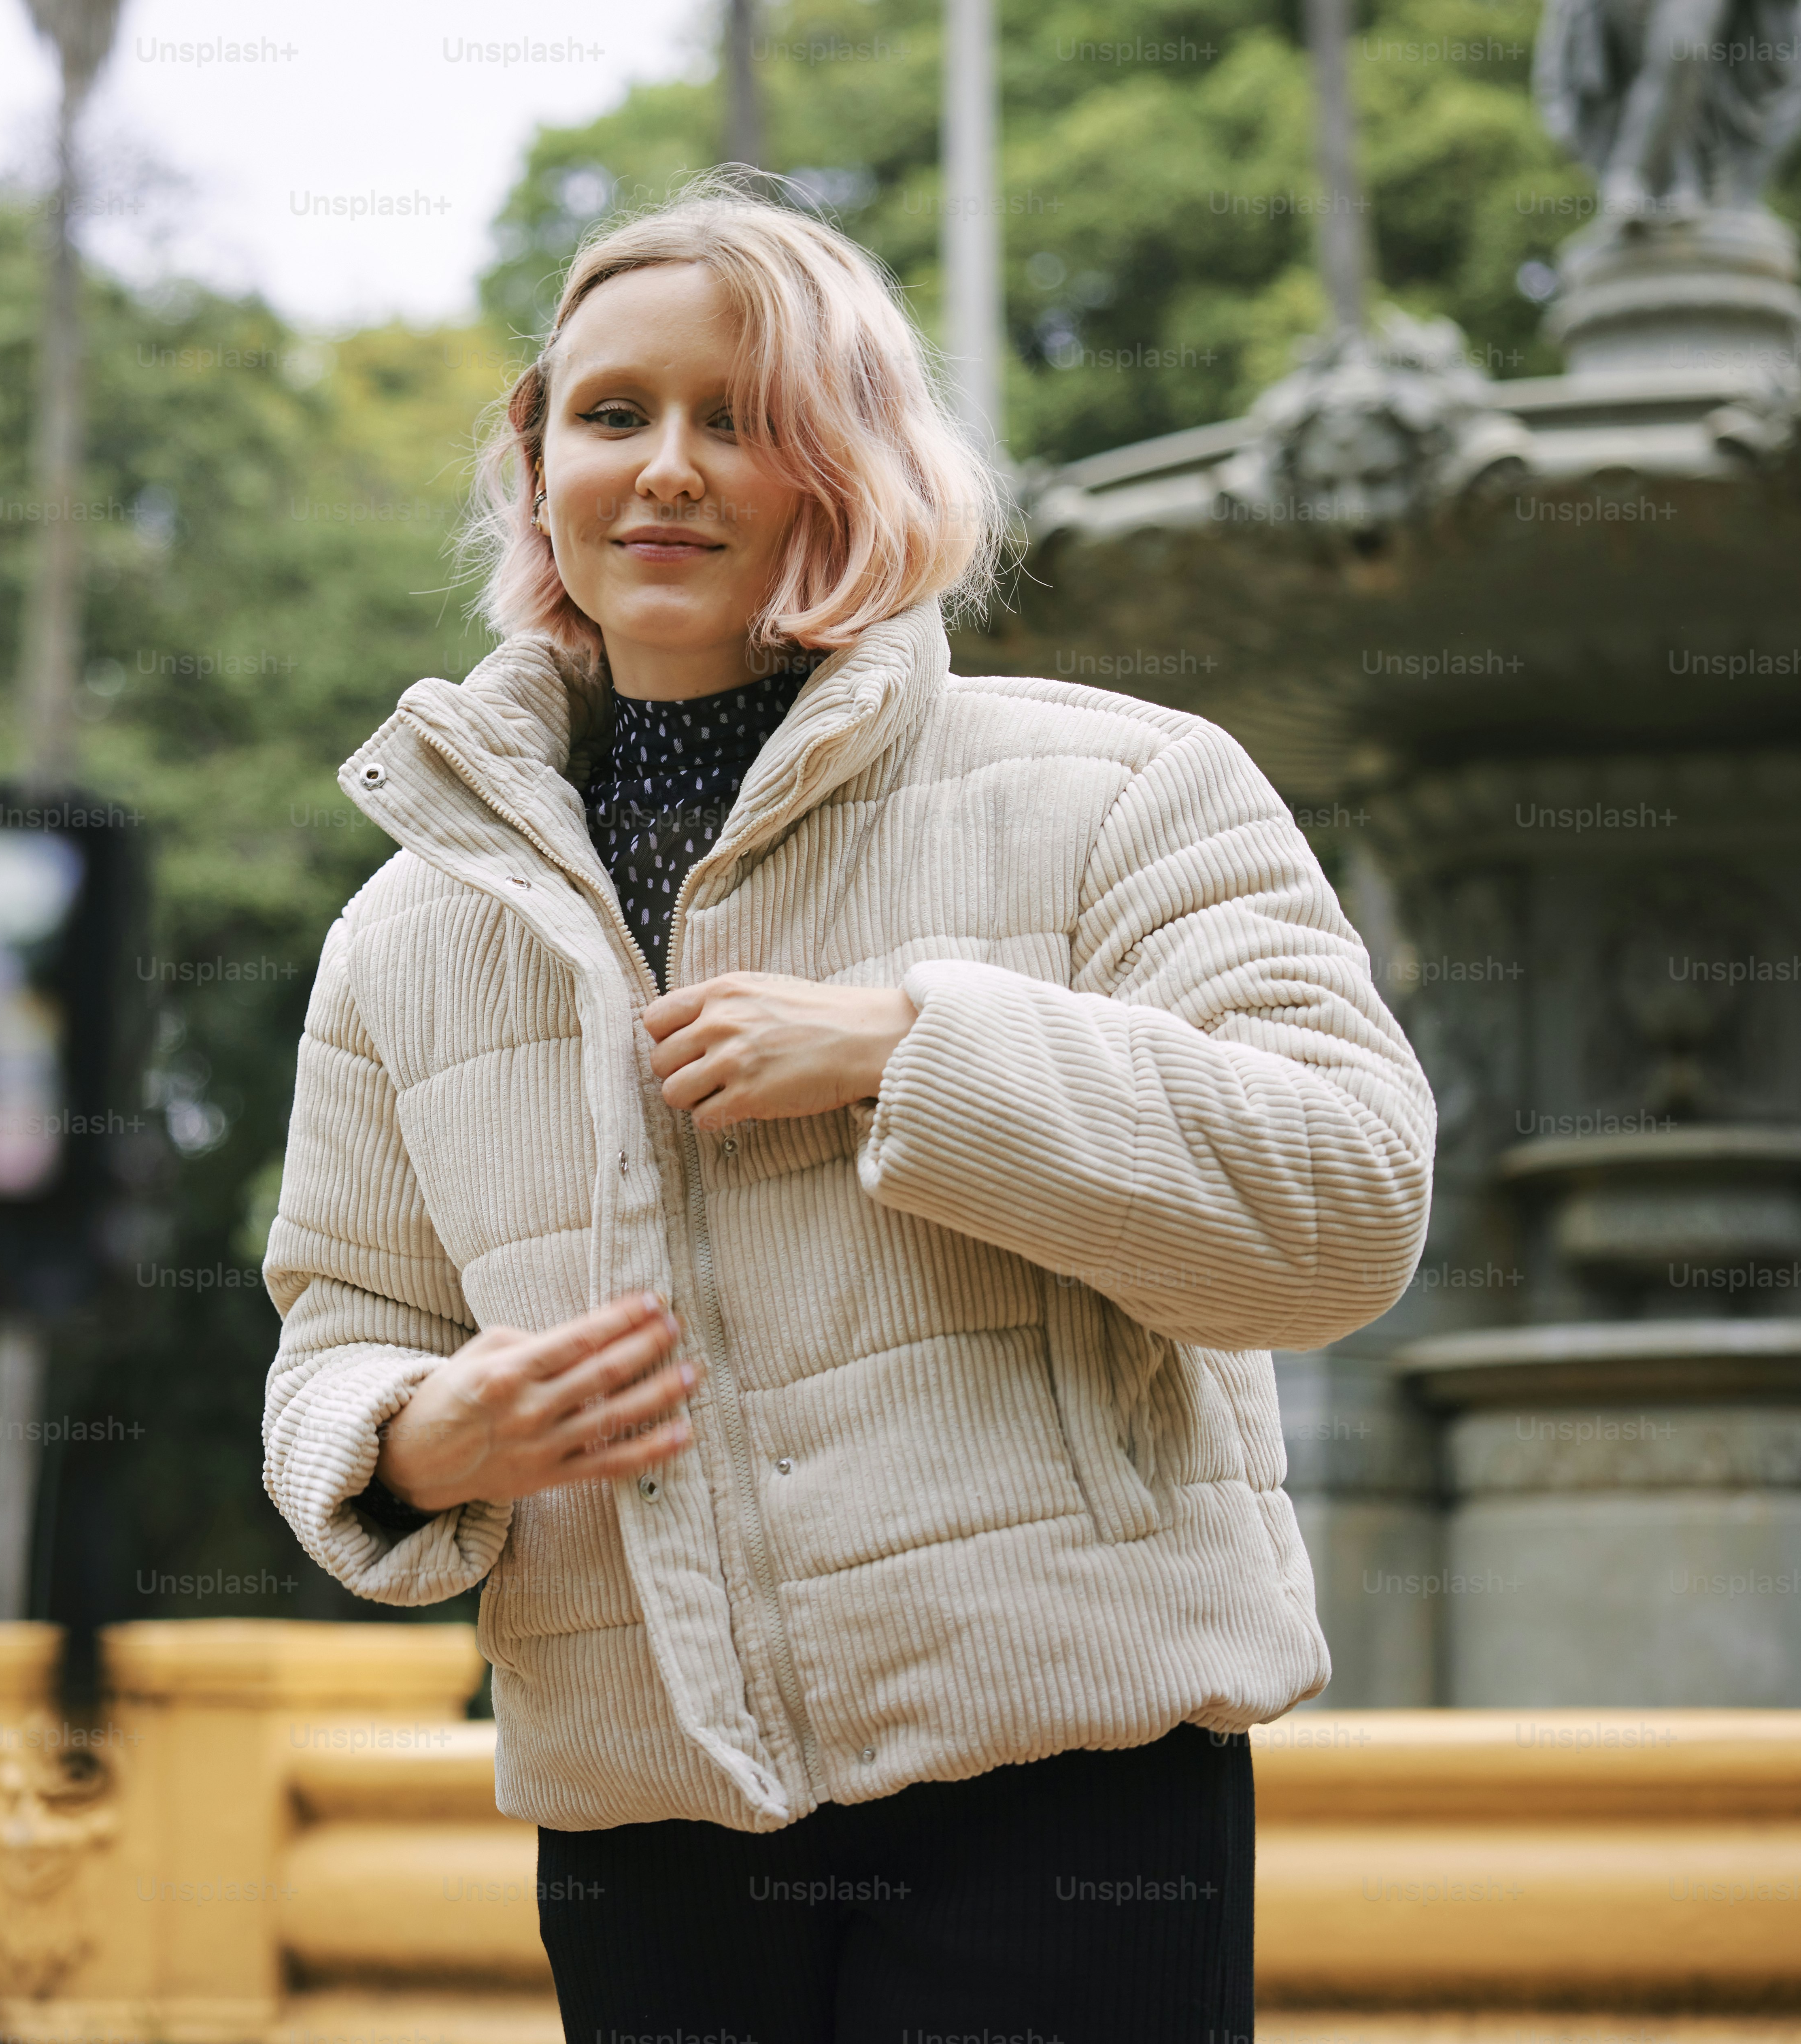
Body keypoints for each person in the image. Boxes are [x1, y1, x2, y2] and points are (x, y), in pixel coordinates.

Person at [258, 175, 1433, 2042]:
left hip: (1067, 1789)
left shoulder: (1124, 785)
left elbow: (1349, 1206)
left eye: (742, 419)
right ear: (538, 456)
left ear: (851, 459)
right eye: (616, 413)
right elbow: (337, 1335)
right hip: (643, 1815)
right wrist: (418, 1435)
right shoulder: (408, 931)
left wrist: (917, 1046)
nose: (667, 468)